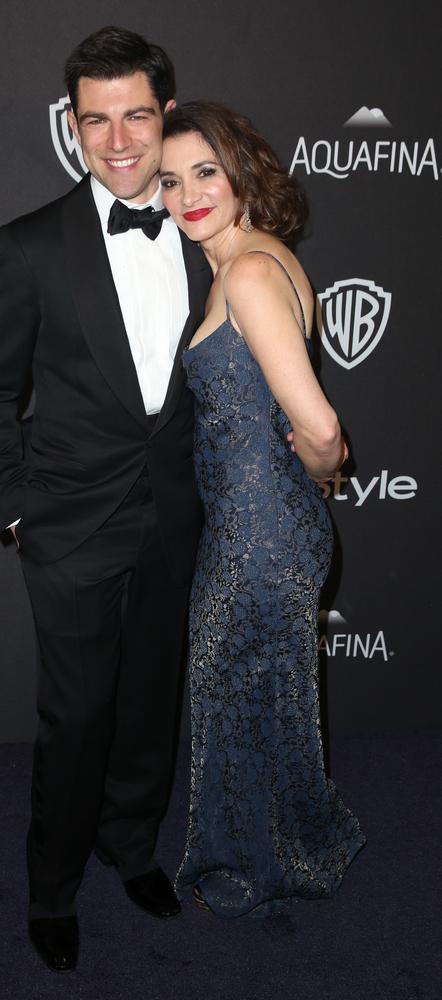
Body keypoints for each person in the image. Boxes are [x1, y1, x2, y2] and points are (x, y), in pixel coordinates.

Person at [0, 29, 211, 970]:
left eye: (136, 115)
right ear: (73, 127)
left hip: (175, 518)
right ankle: (52, 886)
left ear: (166, 117)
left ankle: (132, 844)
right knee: (78, 719)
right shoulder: (27, 246)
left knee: (150, 703)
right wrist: (18, 511)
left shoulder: (205, 231)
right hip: (68, 527)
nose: (118, 138)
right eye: (96, 118)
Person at [159, 102, 366, 918]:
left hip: (260, 535)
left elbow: (320, 428)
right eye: (171, 180)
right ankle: (294, 840)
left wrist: (319, 473)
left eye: (206, 172)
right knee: (262, 694)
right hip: (261, 526)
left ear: (242, 171)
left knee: (230, 690)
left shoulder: (245, 273)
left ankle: (258, 864)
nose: (188, 194)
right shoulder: (258, 260)